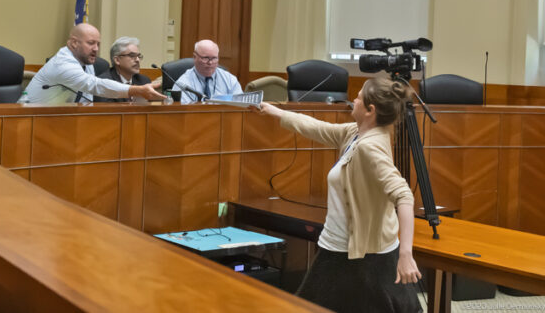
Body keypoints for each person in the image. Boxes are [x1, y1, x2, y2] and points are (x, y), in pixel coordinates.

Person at [251, 77, 421, 313]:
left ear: (370, 110)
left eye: (359, 97)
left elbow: (404, 195)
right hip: (342, 247)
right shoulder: (356, 133)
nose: (354, 100)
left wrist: (406, 254)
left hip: (360, 254)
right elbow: (317, 128)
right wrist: (272, 110)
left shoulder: (369, 147)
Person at [23, 24, 164, 105]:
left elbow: (87, 99)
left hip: (60, 118)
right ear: (73, 43)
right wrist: (137, 90)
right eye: (91, 43)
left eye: (98, 44)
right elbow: (94, 85)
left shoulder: (86, 61)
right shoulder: (62, 63)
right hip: (28, 118)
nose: (96, 49)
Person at [94, 36, 160, 103]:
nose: (137, 60)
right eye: (132, 56)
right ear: (117, 60)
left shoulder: (143, 81)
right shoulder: (104, 83)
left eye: (138, 56)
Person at [175, 39, 242, 103]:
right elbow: (183, 111)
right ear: (194, 57)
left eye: (214, 58)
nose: (210, 63)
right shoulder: (183, 83)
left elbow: (240, 105)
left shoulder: (230, 80)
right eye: (205, 58)